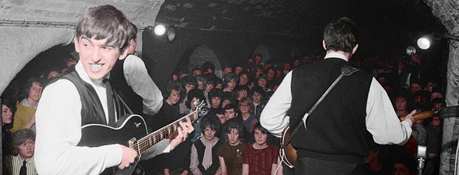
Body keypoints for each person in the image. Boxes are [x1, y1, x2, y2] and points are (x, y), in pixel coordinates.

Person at [34, 5, 193, 174]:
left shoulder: (110, 89)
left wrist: (166, 144)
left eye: (106, 47)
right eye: (87, 44)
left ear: (123, 51)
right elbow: (50, 166)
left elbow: (126, 149)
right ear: (77, 44)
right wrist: (115, 154)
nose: (95, 57)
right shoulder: (63, 91)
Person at [260, 17, 415, 174]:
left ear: (324, 44)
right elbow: (387, 135)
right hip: (348, 168)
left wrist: (298, 130)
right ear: (354, 48)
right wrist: (408, 124)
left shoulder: (297, 74)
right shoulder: (367, 82)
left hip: (306, 167)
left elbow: (268, 119)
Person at [110, 22, 164, 117]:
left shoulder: (108, 60)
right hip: (131, 122)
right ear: (132, 42)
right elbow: (155, 101)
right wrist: (143, 112)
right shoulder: (132, 61)